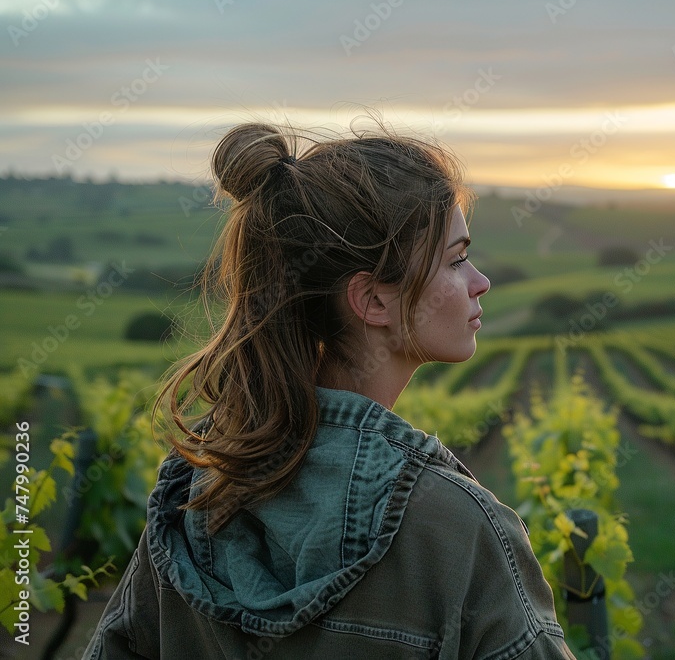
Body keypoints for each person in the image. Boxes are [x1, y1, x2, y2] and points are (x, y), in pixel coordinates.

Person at [84, 119, 576, 659]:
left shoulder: (194, 495)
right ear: (373, 301)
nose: (480, 281)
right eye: (456, 259)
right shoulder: (459, 530)